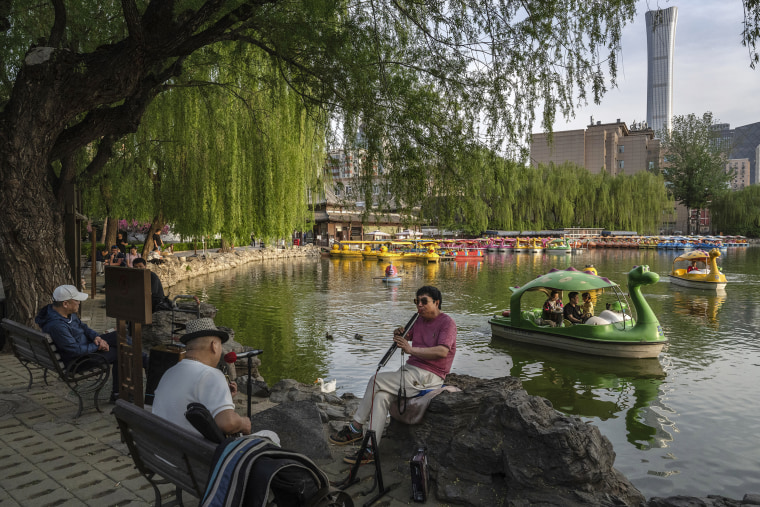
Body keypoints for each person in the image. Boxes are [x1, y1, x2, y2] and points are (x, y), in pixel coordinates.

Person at [329, 286, 456, 464]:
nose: (419, 305)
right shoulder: (419, 319)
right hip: (411, 371)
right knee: (381, 397)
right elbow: (408, 335)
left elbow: (442, 351)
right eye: (416, 301)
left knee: (375, 380)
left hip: (430, 375)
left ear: (437, 302)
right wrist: (400, 334)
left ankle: (356, 428)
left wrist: (410, 349)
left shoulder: (447, 323)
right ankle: (370, 449)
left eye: (424, 301)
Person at [34, 285, 145, 402]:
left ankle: (145, 360)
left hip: (86, 347)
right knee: (120, 352)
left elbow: (84, 327)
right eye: (76, 300)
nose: (79, 303)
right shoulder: (57, 325)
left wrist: (96, 337)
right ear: (65, 304)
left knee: (118, 337)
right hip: (78, 361)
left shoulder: (63, 313)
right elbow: (74, 350)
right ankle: (119, 394)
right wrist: (97, 345)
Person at [152, 317, 252, 437]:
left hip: (160, 451)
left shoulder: (169, 372)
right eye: (221, 346)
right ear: (214, 346)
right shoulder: (212, 375)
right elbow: (228, 424)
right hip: (191, 454)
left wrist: (224, 397)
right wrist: (244, 423)